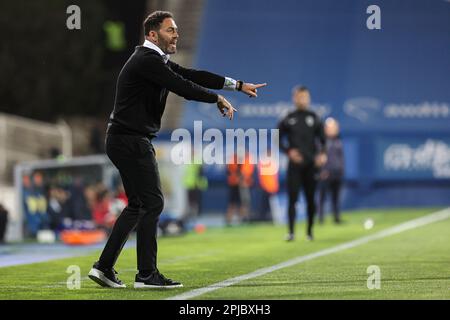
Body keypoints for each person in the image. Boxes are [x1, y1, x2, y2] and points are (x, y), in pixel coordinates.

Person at [88, 11, 267, 289]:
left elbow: (192, 75)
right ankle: (146, 274)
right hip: (131, 139)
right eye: (170, 30)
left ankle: (104, 267)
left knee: (138, 205)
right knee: (153, 203)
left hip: (125, 139)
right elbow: (182, 86)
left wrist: (238, 86)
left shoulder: (155, 61)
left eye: (177, 30)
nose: (176, 35)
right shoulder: (147, 60)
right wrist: (216, 98)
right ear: (152, 35)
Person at [278, 86, 326, 242]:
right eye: (299, 97)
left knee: (311, 199)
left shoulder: (314, 117)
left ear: (309, 98)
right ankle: (291, 232)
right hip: (295, 165)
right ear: (294, 98)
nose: (302, 100)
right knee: (293, 198)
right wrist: (289, 152)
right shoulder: (288, 117)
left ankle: (310, 231)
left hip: (311, 165)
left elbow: (323, 139)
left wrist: (322, 155)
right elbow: (277, 137)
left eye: (305, 97)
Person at [318, 118, 345, 224]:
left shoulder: (338, 141)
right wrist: (322, 170)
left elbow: (341, 158)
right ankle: (320, 218)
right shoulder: (322, 141)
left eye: (335, 127)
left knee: (336, 197)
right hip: (326, 173)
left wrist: (342, 170)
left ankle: (336, 217)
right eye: (331, 128)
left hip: (337, 173)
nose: (334, 130)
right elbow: (320, 158)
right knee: (322, 196)